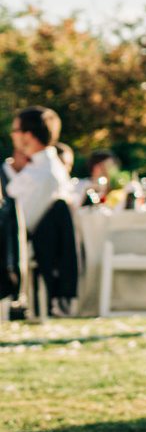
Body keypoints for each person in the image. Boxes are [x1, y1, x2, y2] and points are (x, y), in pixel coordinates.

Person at [4, 108, 80, 310]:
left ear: (27, 135)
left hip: (19, 244)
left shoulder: (43, 172)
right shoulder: (43, 167)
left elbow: (16, 219)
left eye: (15, 130)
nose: (12, 135)